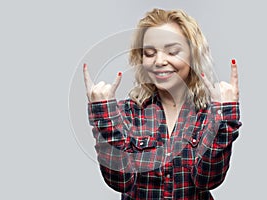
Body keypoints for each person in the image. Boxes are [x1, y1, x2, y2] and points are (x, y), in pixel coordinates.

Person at [83, 8, 242, 200]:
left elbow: (208, 180)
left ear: (193, 55)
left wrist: (225, 117)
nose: (159, 61)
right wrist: (103, 116)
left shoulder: (210, 113)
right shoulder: (127, 112)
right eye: (149, 53)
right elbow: (120, 182)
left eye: (172, 51)